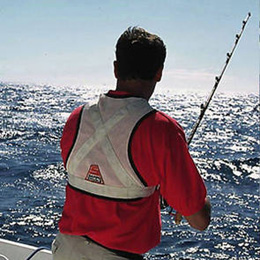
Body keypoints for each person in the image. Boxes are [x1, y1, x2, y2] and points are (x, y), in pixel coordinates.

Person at [52, 27, 211, 260]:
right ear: (159, 73)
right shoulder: (162, 130)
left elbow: (101, 179)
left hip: (65, 250)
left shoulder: (77, 118)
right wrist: (197, 201)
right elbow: (199, 220)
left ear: (116, 68)